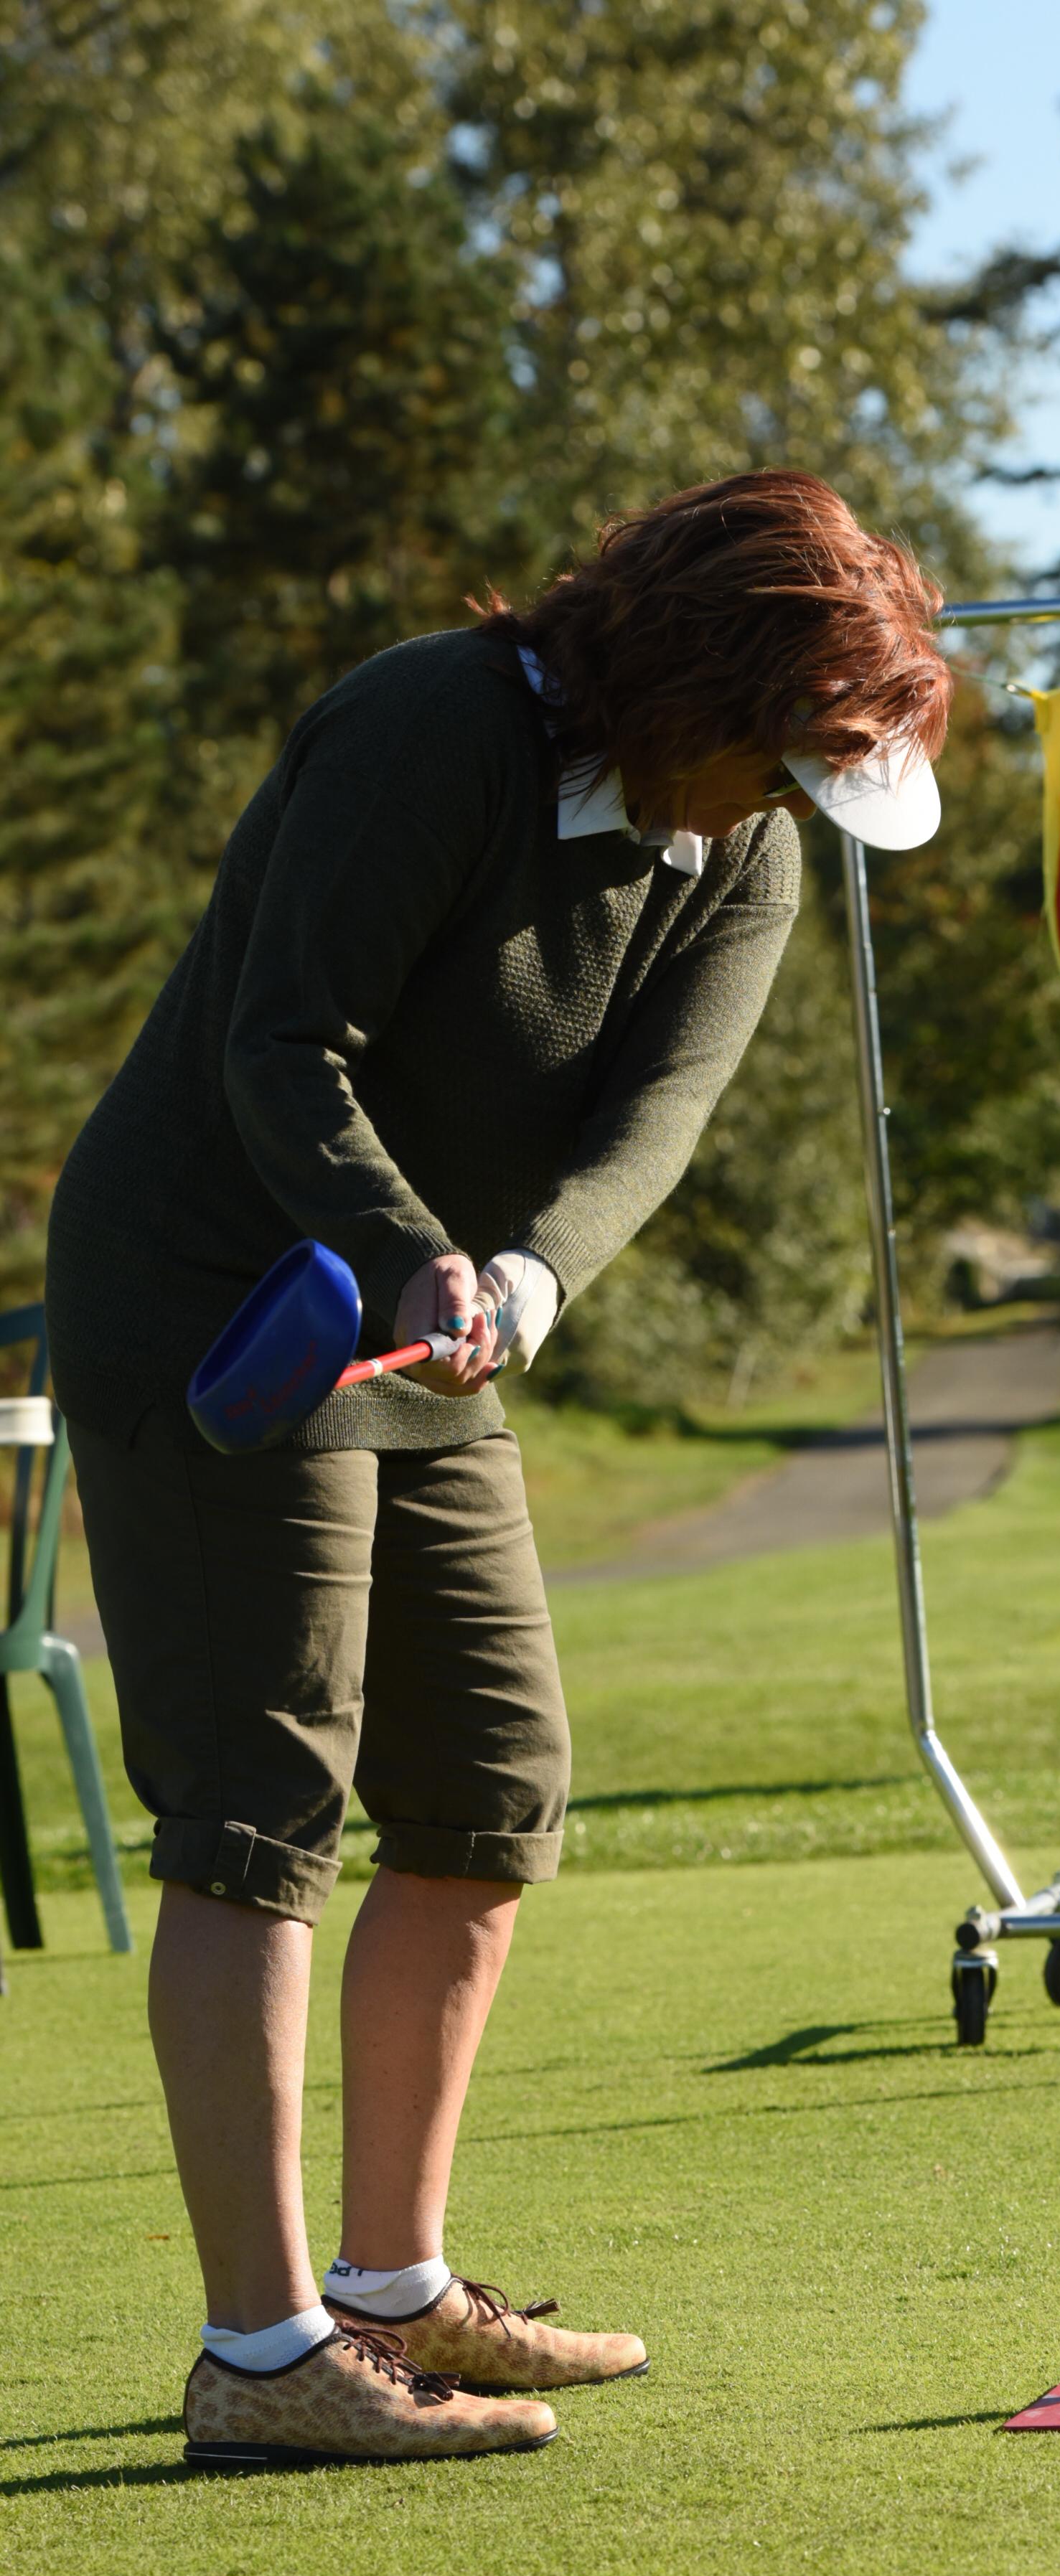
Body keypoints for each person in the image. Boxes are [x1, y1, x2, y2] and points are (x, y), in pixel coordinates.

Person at [45, 470, 950, 2471]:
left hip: (428, 1309)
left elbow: (659, 1114)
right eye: (782, 751)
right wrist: (417, 1253)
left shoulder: (743, 846)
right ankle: (261, 2351)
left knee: (486, 1786)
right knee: (263, 1792)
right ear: (694, 674)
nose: (787, 804)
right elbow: (285, 1047)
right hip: (224, 1298)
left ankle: (391, 2293)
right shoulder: (427, 731)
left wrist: (529, 1278)